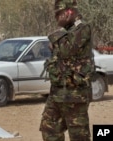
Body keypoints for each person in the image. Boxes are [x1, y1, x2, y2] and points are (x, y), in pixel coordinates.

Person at [40, 0, 95, 141]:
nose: (56, 18)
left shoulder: (83, 28)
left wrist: (54, 39)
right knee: (49, 128)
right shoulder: (66, 31)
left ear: (69, 12)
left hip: (75, 93)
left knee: (78, 135)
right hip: (57, 91)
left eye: (59, 14)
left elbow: (67, 50)